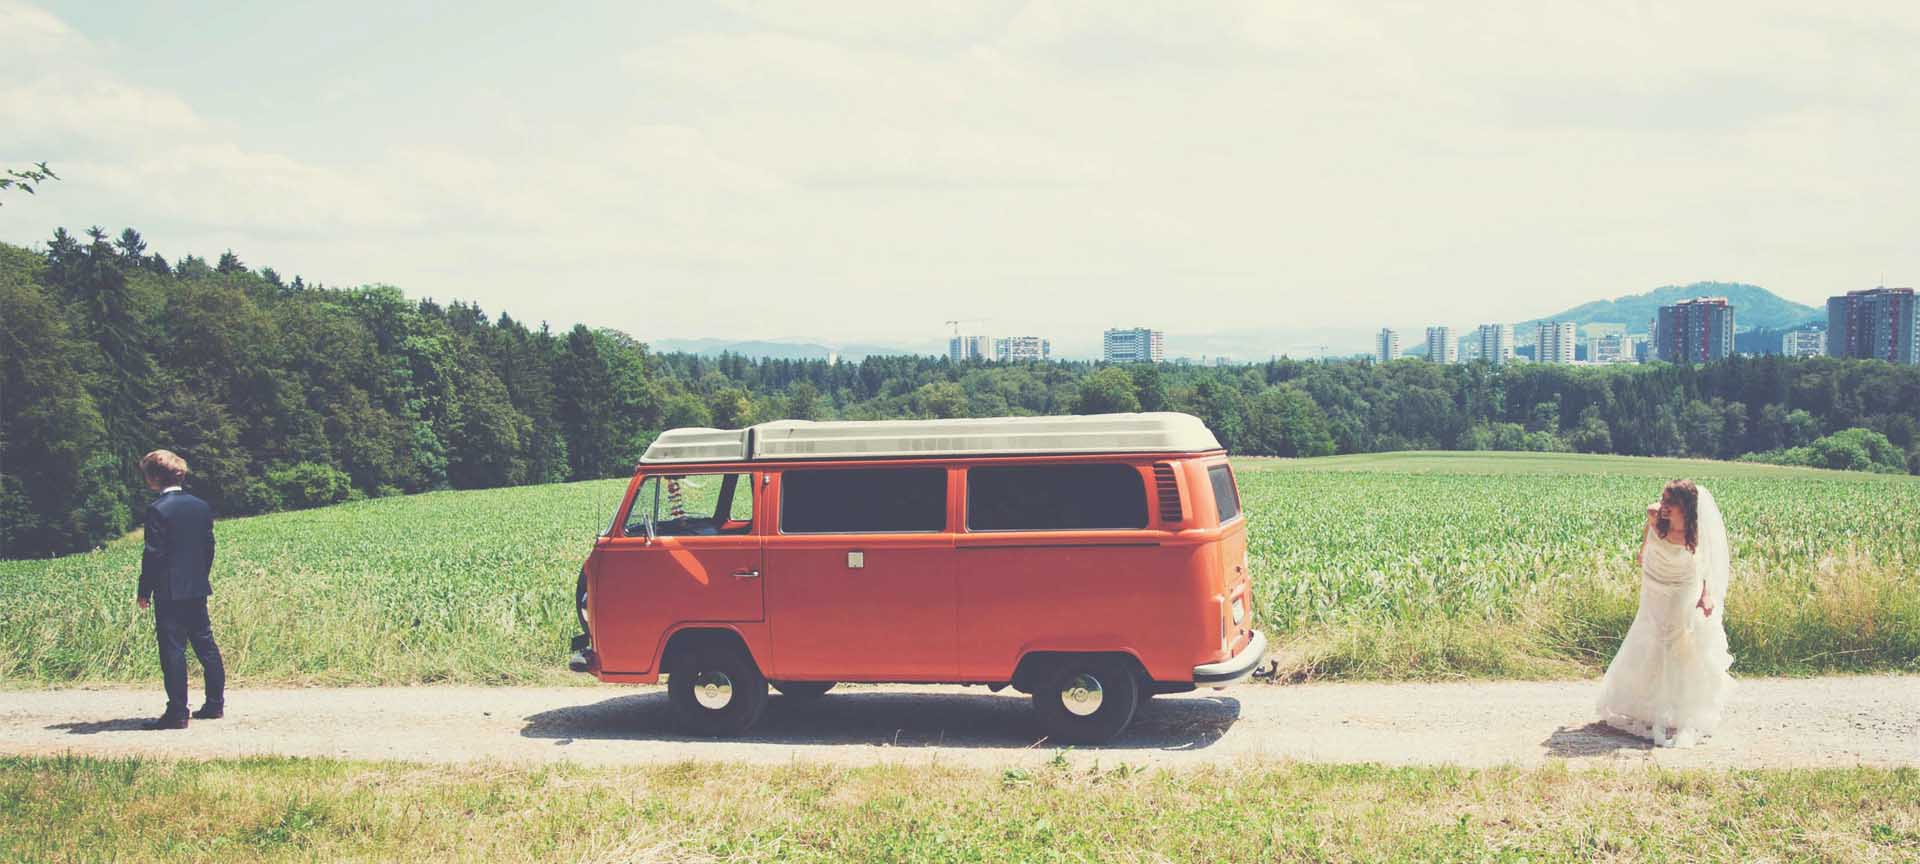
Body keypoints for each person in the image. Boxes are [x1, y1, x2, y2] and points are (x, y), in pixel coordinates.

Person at [1595, 479, 1734, 747]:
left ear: (1686, 506)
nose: (1665, 506)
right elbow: (1646, 539)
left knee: (1674, 642)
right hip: (1653, 584)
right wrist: (1643, 551)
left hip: (1682, 587)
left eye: (1671, 502)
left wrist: (1705, 596)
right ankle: (1642, 708)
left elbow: (1703, 568)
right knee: (1646, 637)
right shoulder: (1654, 515)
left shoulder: (1696, 534)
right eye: (1664, 500)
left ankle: (1676, 708)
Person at [136, 449, 225, 730]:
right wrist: (200, 575)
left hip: (169, 590)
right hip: (197, 586)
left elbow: (154, 554)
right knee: (205, 644)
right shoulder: (200, 506)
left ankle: (177, 712)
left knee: (173, 650)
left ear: (153, 478)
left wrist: (144, 590)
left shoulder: (158, 509)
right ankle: (214, 704)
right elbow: (209, 547)